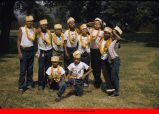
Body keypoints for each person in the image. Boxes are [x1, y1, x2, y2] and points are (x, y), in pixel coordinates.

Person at [17, 15, 36, 94]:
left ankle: (29, 85)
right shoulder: (22, 29)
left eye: (31, 21)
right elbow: (18, 41)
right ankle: (21, 87)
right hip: (24, 51)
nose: (30, 23)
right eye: (28, 21)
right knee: (23, 70)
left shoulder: (34, 29)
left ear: (32, 22)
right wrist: (20, 52)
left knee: (30, 69)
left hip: (31, 50)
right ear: (26, 22)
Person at [86, 17, 104, 89]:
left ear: (100, 25)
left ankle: (97, 84)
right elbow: (82, 27)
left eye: (98, 24)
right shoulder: (90, 30)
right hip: (92, 50)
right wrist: (88, 24)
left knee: (97, 67)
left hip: (98, 51)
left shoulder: (102, 32)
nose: (96, 25)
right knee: (93, 66)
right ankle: (98, 80)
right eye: (95, 24)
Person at [37, 19, 53, 90]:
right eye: (42, 25)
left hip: (49, 51)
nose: (44, 26)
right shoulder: (38, 32)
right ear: (40, 26)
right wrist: (38, 29)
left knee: (48, 68)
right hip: (42, 51)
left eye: (45, 25)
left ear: (47, 26)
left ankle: (46, 82)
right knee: (41, 68)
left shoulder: (50, 33)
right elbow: (33, 31)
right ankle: (40, 84)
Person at [99, 27, 115, 95]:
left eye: (107, 33)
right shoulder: (101, 40)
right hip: (103, 59)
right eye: (104, 32)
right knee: (105, 74)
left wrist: (113, 38)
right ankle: (109, 88)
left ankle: (112, 87)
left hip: (109, 59)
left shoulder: (112, 41)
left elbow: (118, 45)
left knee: (110, 74)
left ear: (110, 35)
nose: (105, 34)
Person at [108, 26, 122, 97]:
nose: (110, 33)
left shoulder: (116, 41)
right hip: (112, 61)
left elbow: (119, 38)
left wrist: (114, 32)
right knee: (113, 76)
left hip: (116, 60)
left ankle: (116, 93)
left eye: (111, 32)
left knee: (114, 77)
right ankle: (114, 90)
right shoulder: (112, 41)